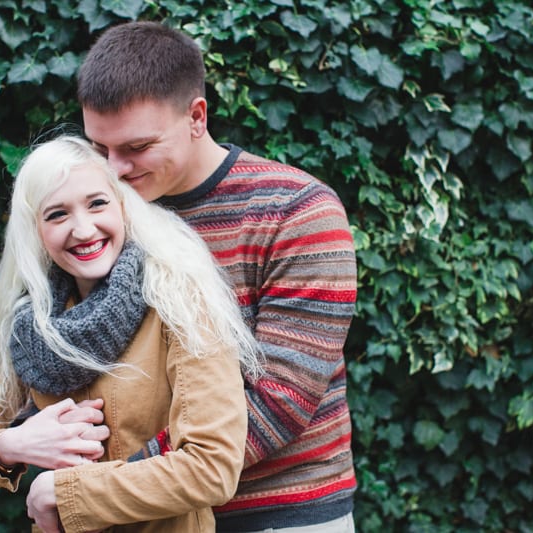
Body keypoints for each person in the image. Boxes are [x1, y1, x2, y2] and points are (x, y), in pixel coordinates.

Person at [75, 21, 358, 533]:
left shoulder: (296, 211)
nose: (114, 169)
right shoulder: (103, 217)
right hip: (144, 515)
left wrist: (109, 484)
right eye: (99, 149)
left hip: (274, 514)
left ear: (197, 116)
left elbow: (282, 400)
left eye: (136, 147)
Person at [0, 134, 263, 532]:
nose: (83, 230)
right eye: (57, 215)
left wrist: (64, 492)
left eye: (97, 204)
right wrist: (12, 445)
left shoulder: (181, 301)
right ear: (35, 231)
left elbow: (212, 468)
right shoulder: (30, 325)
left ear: (123, 207)